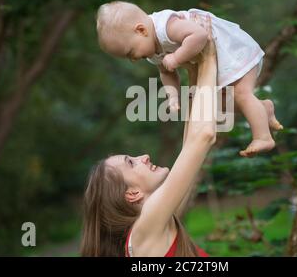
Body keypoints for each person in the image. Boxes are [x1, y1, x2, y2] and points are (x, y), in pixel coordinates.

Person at [81, 15, 217, 256]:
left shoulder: (157, 222)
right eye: (132, 163)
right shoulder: (145, 230)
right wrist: (209, 57)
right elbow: (203, 136)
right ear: (132, 194)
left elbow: (190, 143)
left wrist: (195, 68)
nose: (144, 156)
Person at [96, 1, 283, 157]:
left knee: (242, 94)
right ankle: (263, 108)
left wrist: (177, 58)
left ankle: (263, 137)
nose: (133, 59)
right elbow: (167, 73)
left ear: (141, 30)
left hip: (234, 52)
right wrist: (173, 96)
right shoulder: (152, 50)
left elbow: (199, 35)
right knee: (219, 105)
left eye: (130, 52)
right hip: (219, 62)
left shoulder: (166, 27)